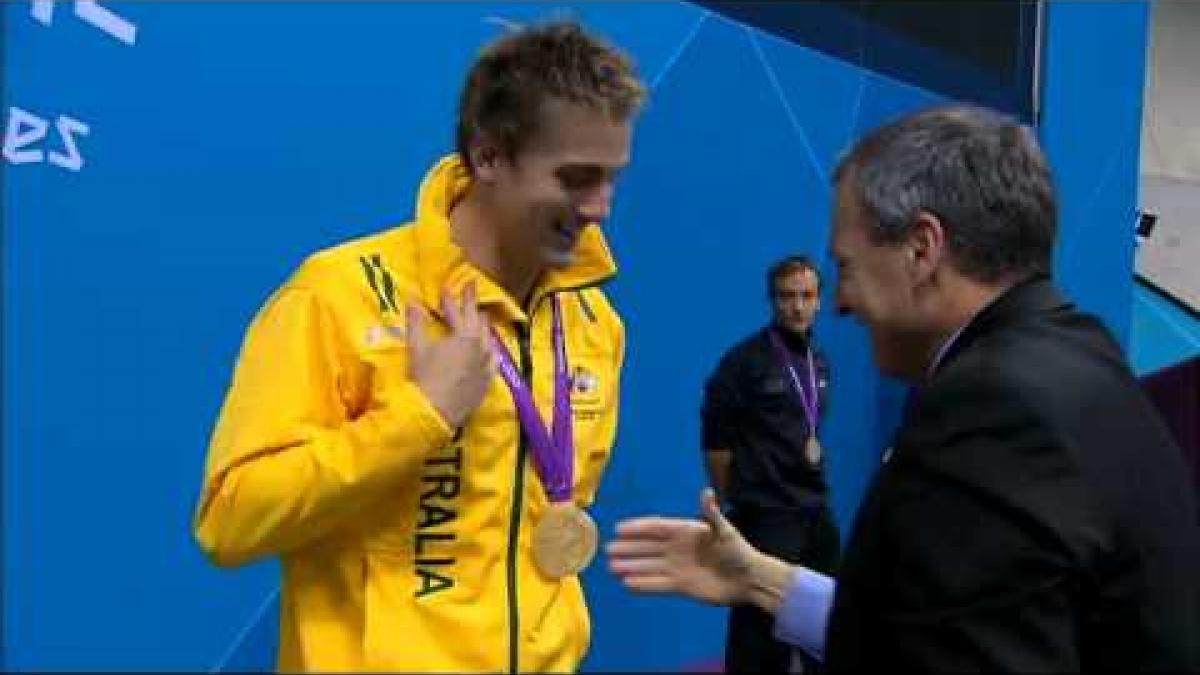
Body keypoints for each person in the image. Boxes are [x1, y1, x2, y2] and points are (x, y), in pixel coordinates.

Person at [608, 104, 1200, 672]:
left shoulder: (993, 410)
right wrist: (761, 579)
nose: (838, 302)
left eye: (846, 267)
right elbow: (948, 624)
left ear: (921, 249)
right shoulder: (1075, 354)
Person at [193, 20, 644, 672]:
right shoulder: (339, 294)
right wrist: (419, 417)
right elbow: (229, 519)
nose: (601, 206)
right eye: (576, 178)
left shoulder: (593, 321)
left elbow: (549, 510)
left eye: (612, 178)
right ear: (488, 157)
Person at [701, 255, 839, 672]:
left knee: (825, 626)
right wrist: (745, 501)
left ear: (818, 302)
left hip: (814, 512)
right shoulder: (744, 364)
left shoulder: (819, 362)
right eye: (787, 297)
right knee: (760, 635)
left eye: (806, 296)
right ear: (772, 301)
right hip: (768, 516)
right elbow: (717, 443)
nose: (797, 306)